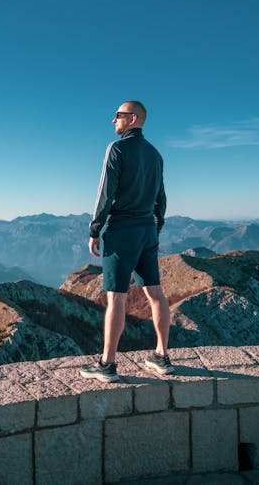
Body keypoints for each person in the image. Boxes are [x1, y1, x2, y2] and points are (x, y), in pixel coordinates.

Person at [80, 100, 174, 383]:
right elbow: (162, 197)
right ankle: (162, 356)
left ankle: (107, 365)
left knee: (116, 298)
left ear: (132, 118)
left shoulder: (116, 149)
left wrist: (95, 229)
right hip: (147, 229)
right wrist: (155, 227)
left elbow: (105, 194)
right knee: (155, 293)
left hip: (122, 230)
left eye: (118, 116)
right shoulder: (156, 155)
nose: (113, 120)